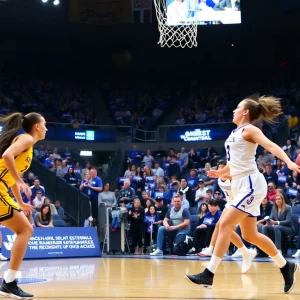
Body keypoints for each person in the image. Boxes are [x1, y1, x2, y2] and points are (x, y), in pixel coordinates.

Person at [185, 95, 300, 293]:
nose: (234, 110)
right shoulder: (235, 132)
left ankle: (209, 273)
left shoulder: (250, 129)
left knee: (224, 224)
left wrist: (289, 162)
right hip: (240, 183)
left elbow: (270, 146)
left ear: (245, 112)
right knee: (250, 234)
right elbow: (234, 163)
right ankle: (286, 266)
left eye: (237, 107)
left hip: (251, 184)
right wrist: (220, 173)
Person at [0, 112, 47, 299]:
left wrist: (20, 202)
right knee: (25, 230)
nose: (46, 128)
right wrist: (20, 180)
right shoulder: (27, 138)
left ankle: (9, 283)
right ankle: (9, 283)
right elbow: (6, 156)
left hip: (3, 189)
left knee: (25, 229)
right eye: (44, 125)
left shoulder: (28, 144)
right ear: (37, 126)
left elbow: (9, 176)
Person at [198, 160, 257, 274]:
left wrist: (219, 173)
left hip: (239, 204)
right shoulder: (220, 180)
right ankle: (244, 251)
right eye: (219, 168)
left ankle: (215, 249)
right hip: (230, 203)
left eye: (223, 168)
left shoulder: (234, 177)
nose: (221, 170)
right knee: (221, 227)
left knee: (223, 227)